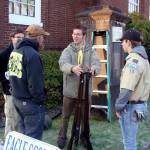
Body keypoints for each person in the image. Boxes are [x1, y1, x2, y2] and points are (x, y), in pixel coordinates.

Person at [57, 25, 100, 149]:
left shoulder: (90, 50)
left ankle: (84, 136)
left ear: (84, 36)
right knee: (65, 116)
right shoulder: (68, 50)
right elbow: (62, 63)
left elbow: (97, 64)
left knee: (85, 117)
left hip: (85, 92)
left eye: (78, 34)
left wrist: (94, 69)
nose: (75, 36)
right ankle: (62, 137)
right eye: (74, 34)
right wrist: (72, 68)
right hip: (70, 92)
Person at [7, 24, 49, 140]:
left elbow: (11, 76)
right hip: (30, 103)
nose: (43, 40)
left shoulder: (15, 51)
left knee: (23, 138)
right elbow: (35, 84)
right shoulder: (33, 55)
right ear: (38, 37)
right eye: (43, 37)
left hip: (17, 100)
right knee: (32, 140)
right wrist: (40, 101)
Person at [115, 29, 150, 150]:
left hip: (132, 108)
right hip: (141, 106)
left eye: (123, 41)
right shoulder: (144, 59)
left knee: (129, 142)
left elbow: (126, 88)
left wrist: (118, 107)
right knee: (132, 139)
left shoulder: (133, 60)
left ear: (129, 42)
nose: (121, 44)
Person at [0, 28, 24, 138]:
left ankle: (14, 141)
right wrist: (7, 77)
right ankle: (8, 142)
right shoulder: (4, 54)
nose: (20, 39)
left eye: (22, 37)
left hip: (22, 91)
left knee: (18, 118)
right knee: (11, 117)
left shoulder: (23, 52)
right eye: (18, 37)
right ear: (12, 38)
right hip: (9, 92)